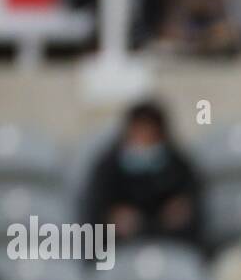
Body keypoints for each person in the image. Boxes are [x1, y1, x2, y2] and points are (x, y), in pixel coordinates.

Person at [83, 100, 204, 247]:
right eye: (139, 133)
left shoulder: (178, 165)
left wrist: (180, 212)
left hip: (170, 244)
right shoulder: (108, 168)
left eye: (150, 135)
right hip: (119, 247)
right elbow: (95, 209)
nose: (144, 141)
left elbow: (193, 204)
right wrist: (113, 217)